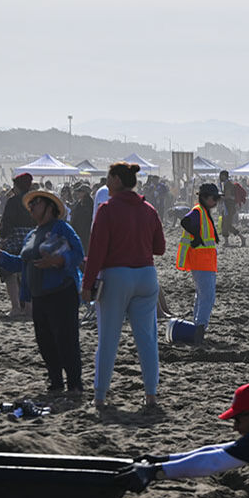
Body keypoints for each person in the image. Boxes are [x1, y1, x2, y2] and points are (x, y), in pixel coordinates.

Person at [82, 162, 166, 410]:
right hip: (146, 275)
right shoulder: (149, 210)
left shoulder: (107, 210)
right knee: (147, 339)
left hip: (117, 276)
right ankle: (151, 394)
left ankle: (100, 396)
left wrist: (87, 284)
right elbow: (160, 248)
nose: (106, 183)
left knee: (108, 339)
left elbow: (96, 251)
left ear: (117, 180)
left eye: (108, 178)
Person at [0, 189, 85, 393]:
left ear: (50, 207)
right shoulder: (32, 234)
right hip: (39, 295)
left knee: (66, 340)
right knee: (45, 342)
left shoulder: (62, 228)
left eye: (36, 203)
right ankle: (56, 382)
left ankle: (74, 384)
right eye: (30, 204)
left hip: (62, 292)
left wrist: (58, 260)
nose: (31, 207)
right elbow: (22, 263)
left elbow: (78, 254)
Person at [174, 182, 220, 344]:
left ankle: (196, 328)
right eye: (214, 198)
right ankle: (199, 329)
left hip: (205, 262)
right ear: (205, 198)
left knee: (202, 296)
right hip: (201, 262)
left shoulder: (203, 212)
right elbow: (185, 222)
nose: (216, 201)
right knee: (207, 297)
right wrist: (198, 237)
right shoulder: (198, 211)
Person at [0, 173, 34, 318]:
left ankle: (16, 307)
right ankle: (29, 307)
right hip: (32, 237)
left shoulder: (13, 201)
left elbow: (7, 221)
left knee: (9, 271)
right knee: (28, 272)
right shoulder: (34, 200)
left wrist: (3, 237)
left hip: (16, 237)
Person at [69, 183, 94, 253]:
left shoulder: (88, 203)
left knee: (83, 247)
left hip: (83, 230)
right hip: (79, 229)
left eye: (80, 191)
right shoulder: (80, 202)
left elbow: (84, 217)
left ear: (85, 193)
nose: (78, 193)